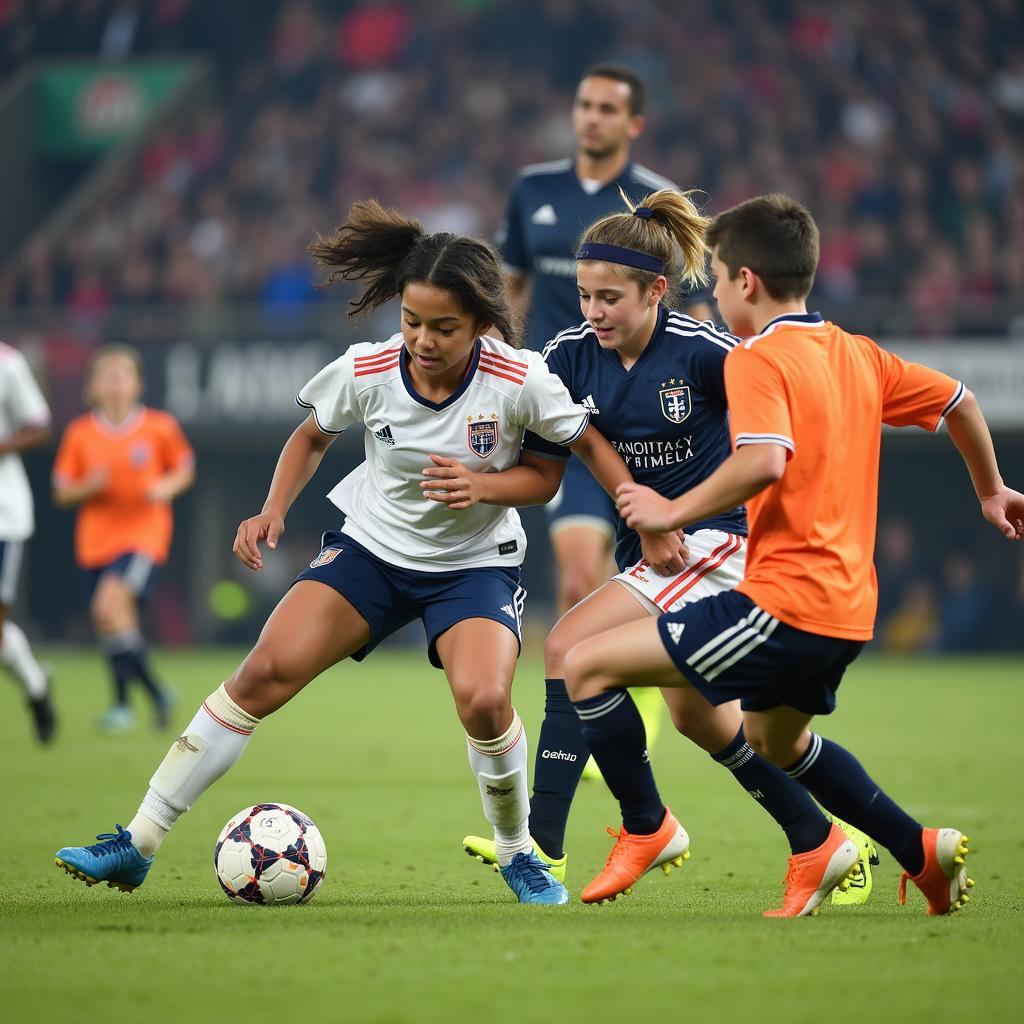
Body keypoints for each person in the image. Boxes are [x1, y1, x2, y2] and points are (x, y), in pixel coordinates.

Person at [53, 199, 683, 906]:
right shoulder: (369, 367)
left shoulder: (520, 379)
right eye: (412, 322)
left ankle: (519, 852)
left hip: (472, 567)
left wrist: (517, 491)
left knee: (484, 700)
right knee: (261, 673)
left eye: (444, 327)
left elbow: (560, 467)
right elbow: (311, 436)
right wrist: (272, 510)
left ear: (481, 323)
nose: (422, 340)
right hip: (370, 555)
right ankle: (136, 843)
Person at [562, 193, 1024, 916]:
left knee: (582, 662)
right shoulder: (860, 354)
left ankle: (646, 827)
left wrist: (669, 509)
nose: (712, 292)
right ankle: (917, 852)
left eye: (715, 277)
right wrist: (992, 491)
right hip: (851, 609)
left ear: (745, 281)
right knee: (775, 740)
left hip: (785, 603)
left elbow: (764, 461)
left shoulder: (754, 360)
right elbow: (961, 401)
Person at [463, 189, 877, 907]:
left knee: (567, 648)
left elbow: (781, 441)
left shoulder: (712, 353)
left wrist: (688, 515)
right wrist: (475, 481)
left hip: (727, 543)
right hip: (658, 556)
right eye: (585, 295)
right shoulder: (567, 358)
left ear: (657, 292)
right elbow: (545, 472)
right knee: (697, 717)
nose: (593, 311)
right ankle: (821, 839)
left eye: (610, 297)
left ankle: (578, 838)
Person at [499, 63, 711, 762]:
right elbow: (511, 291)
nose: (590, 117)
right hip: (577, 418)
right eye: (582, 104)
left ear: (633, 123)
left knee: (655, 604)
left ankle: (631, 678)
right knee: (576, 574)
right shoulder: (533, 190)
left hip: (654, 428)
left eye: (606, 108)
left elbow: (690, 308)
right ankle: (600, 713)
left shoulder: (655, 201)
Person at [52, 346, 195, 733]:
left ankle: (133, 700)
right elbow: (61, 491)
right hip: (95, 541)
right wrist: (87, 486)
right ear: (93, 386)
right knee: (116, 622)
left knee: (106, 608)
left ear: (138, 384)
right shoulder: (81, 432)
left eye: (123, 375)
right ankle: (143, 699)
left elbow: (184, 467)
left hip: (142, 535)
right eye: (106, 376)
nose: (115, 383)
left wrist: (165, 486)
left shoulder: (159, 426)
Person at [0, 341, 56, 743]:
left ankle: (36, 687)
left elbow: (39, 425)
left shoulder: (8, 362)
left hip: (3, 515)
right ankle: (36, 681)